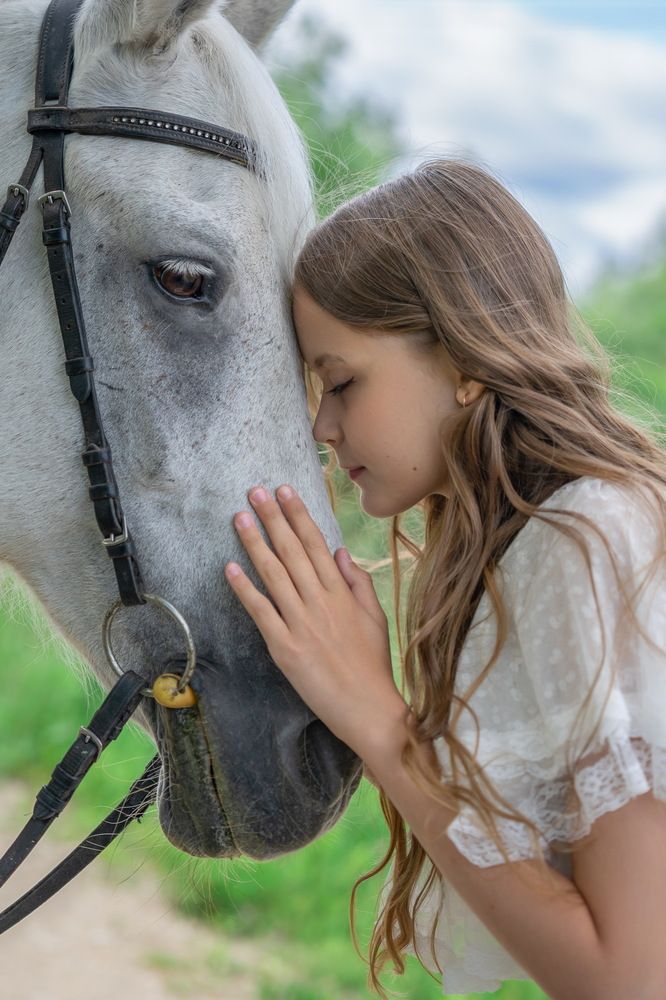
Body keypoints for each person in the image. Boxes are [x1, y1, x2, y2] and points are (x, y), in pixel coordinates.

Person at [223, 158, 666, 998]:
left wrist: (377, 719)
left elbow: (630, 979)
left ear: (464, 355)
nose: (321, 424)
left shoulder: (588, 534)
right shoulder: (545, 539)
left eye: (341, 380)